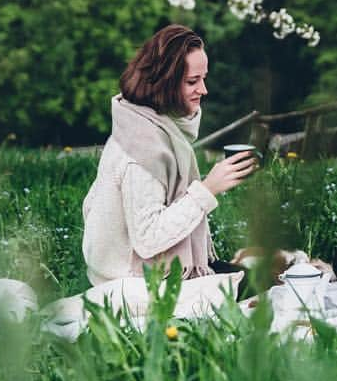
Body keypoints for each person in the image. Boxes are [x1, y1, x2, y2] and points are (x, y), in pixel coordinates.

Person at [81, 25, 255, 306]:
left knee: (255, 279)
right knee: (260, 290)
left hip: (146, 272)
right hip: (133, 282)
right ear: (165, 81)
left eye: (204, 79)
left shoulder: (150, 126)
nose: (204, 90)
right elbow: (148, 239)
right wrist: (208, 189)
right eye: (192, 81)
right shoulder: (141, 150)